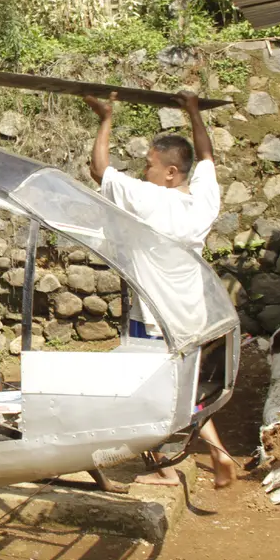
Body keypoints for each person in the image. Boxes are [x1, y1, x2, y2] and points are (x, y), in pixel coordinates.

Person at [85, 90, 235, 490]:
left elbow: (100, 170)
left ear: (170, 172)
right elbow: (206, 158)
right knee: (182, 391)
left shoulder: (152, 200)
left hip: (153, 318)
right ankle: (218, 454)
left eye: (149, 165)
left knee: (143, 393)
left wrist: (105, 118)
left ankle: (165, 468)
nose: (144, 171)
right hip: (191, 317)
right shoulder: (202, 202)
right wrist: (193, 112)